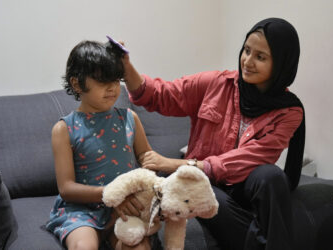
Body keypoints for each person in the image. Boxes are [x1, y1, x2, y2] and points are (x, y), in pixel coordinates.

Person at [121, 17, 305, 250]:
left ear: (281, 64)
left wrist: (175, 164)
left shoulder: (289, 111)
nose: (248, 61)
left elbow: (253, 157)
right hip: (207, 183)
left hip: (245, 184)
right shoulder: (217, 84)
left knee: (272, 176)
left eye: (260, 57)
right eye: (246, 51)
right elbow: (162, 95)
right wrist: (127, 69)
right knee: (205, 192)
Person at [46, 39, 162, 250]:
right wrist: (113, 194)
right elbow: (66, 188)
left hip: (125, 208)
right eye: (102, 81)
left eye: (116, 80)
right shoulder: (64, 129)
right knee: (84, 246)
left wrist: (155, 190)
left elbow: (148, 160)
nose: (112, 88)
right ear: (76, 83)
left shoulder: (130, 118)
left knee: (139, 246)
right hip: (81, 211)